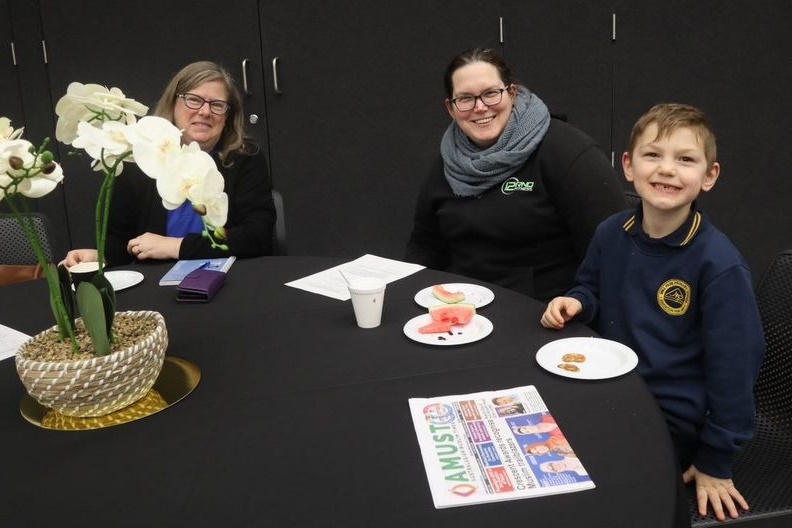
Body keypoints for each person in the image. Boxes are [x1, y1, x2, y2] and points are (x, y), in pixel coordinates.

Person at [540, 103, 765, 521]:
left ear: (709, 176)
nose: (666, 169)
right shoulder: (610, 233)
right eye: (653, 155)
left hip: (670, 418)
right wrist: (578, 302)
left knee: (600, 494)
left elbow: (735, 369)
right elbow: (590, 286)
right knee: (542, 448)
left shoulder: (718, 265)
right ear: (628, 166)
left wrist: (716, 460)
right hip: (608, 392)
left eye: (685, 159)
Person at [405, 48, 625, 302]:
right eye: (465, 99)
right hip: (464, 308)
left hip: (542, 312)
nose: (480, 107)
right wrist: (413, 296)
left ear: (511, 93)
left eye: (490, 93)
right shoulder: (450, 159)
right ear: (451, 108)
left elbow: (609, 250)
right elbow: (425, 244)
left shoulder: (567, 152)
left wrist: (580, 304)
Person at [64, 61, 275, 268]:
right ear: (173, 104)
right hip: (155, 286)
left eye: (217, 105)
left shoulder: (244, 158)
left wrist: (175, 247)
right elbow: (122, 242)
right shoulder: (139, 160)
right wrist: (99, 257)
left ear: (228, 116)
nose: (205, 112)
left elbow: (257, 236)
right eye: (193, 100)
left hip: (233, 278)